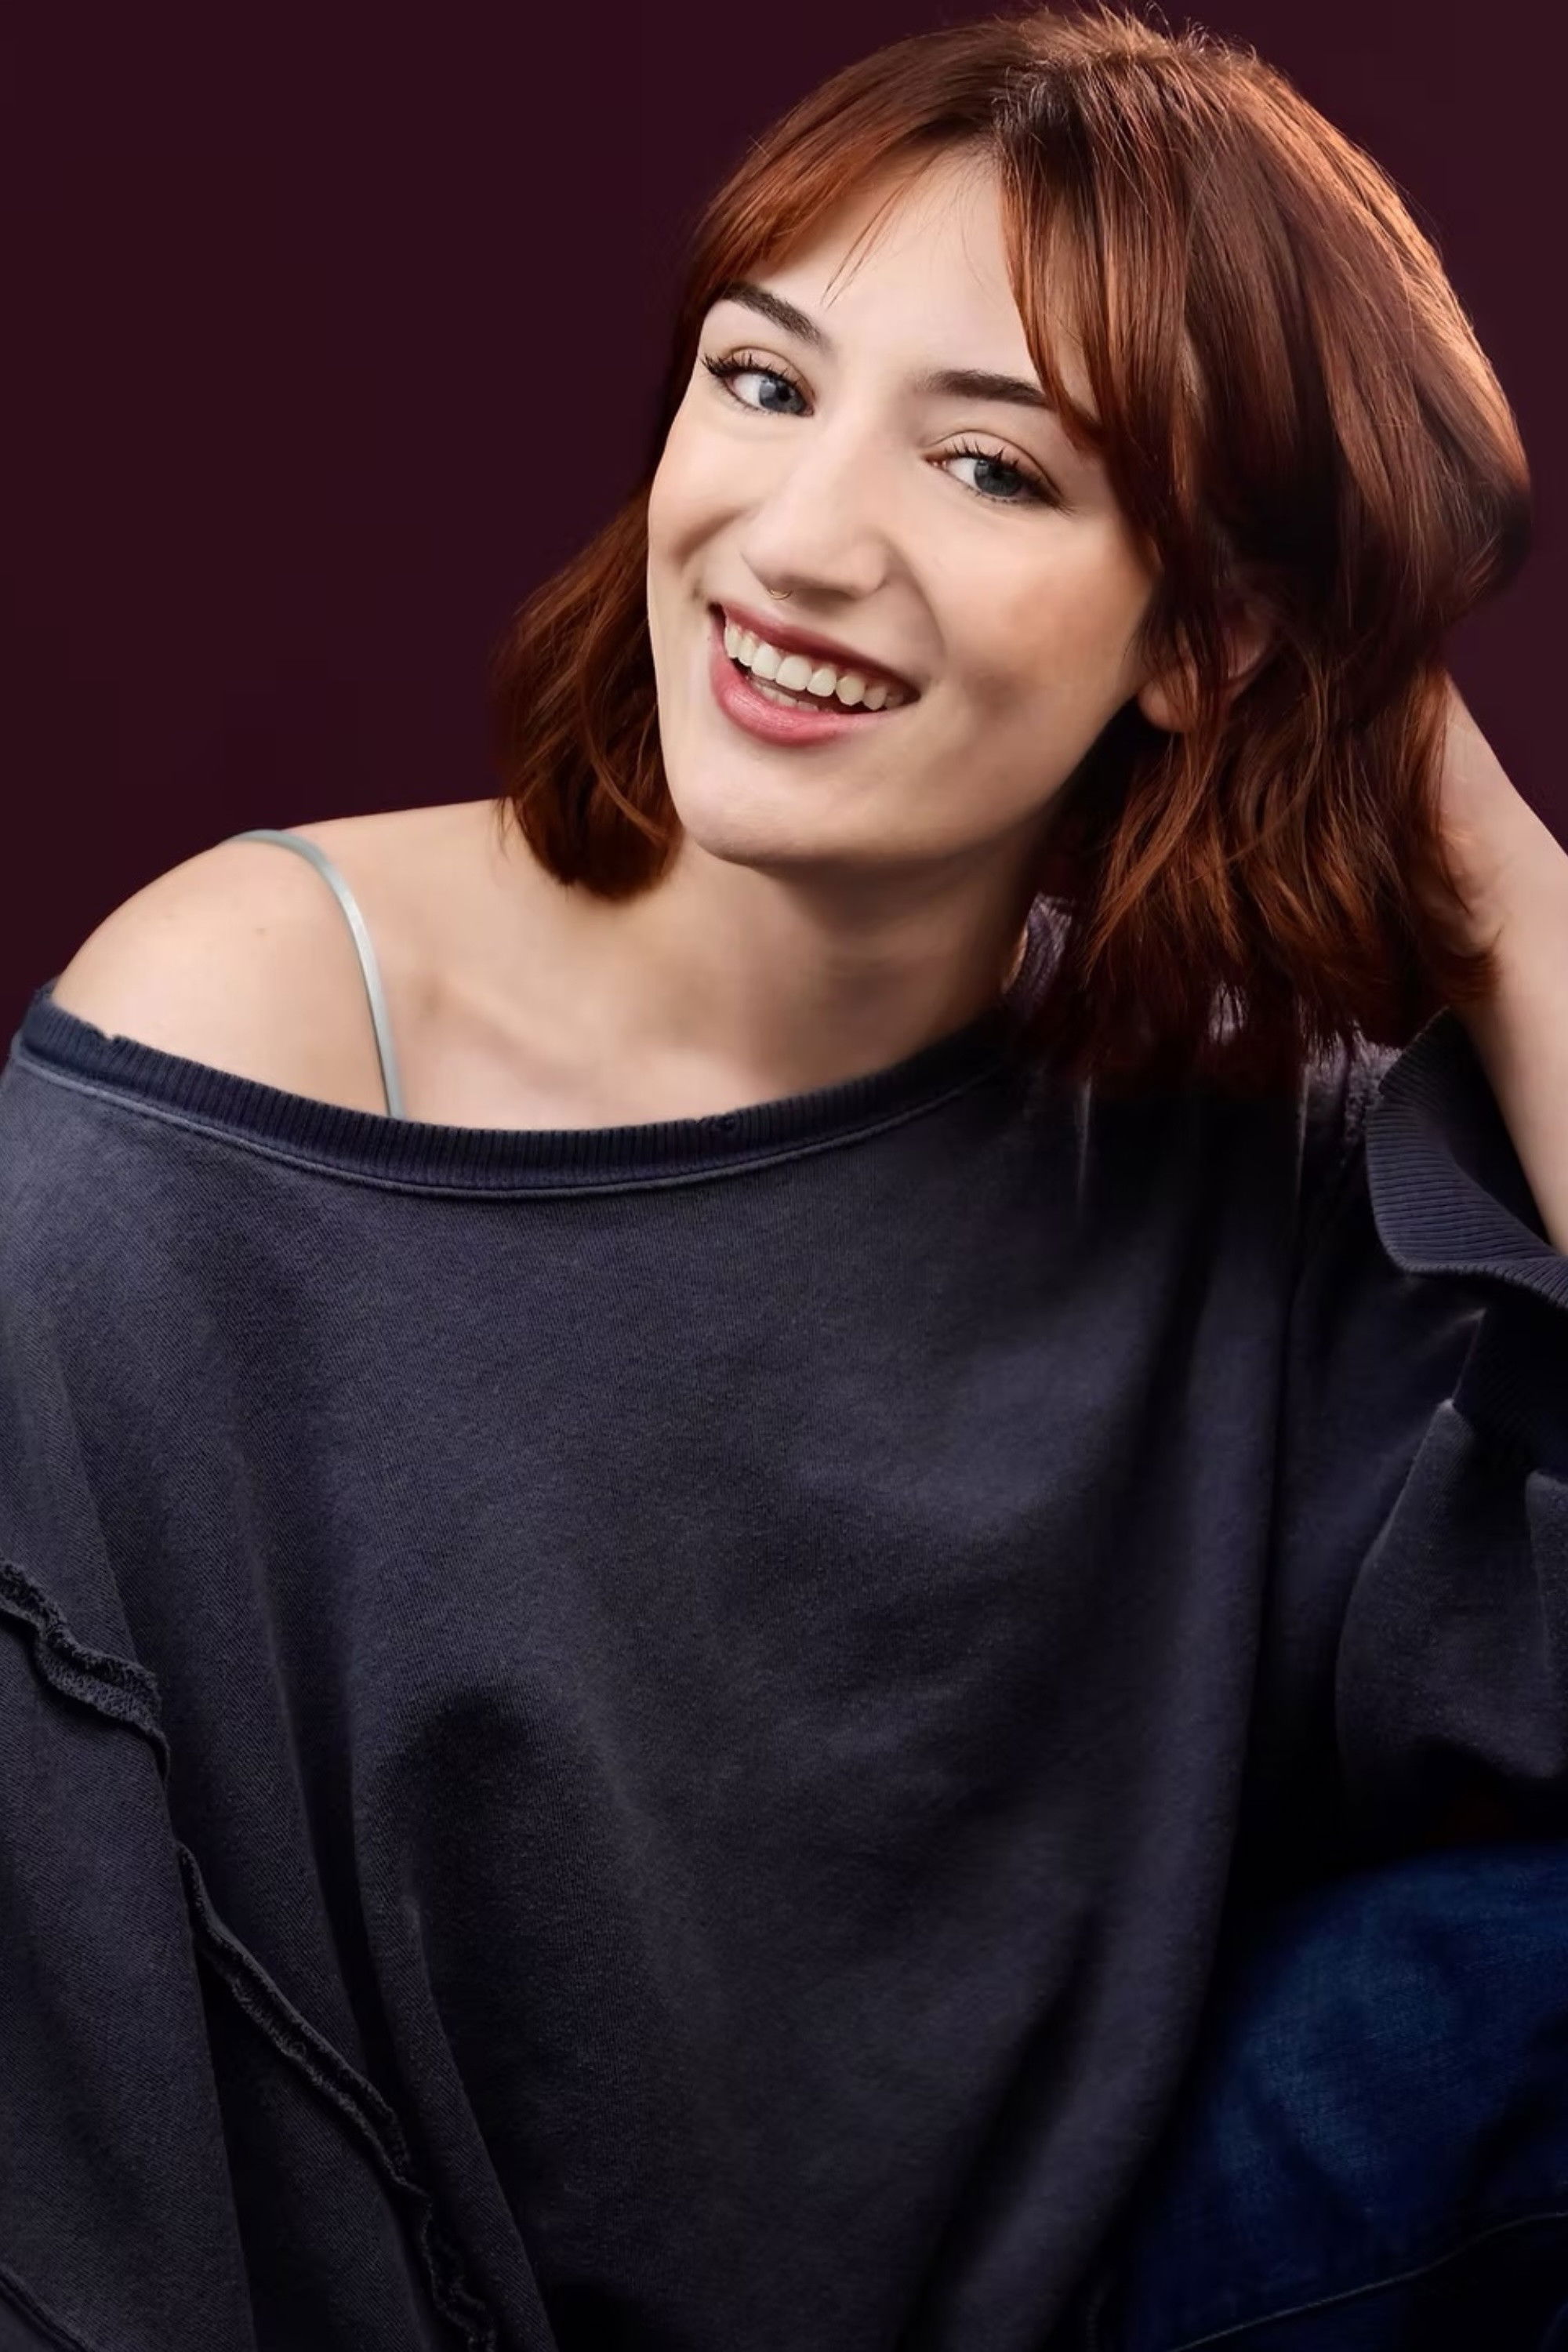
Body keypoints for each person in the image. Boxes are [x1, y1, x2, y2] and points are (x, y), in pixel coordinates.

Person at [2, 5, 1563, 2347]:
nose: (803, 544)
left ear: (1209, 637)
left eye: (997, 470)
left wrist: (1510, 897)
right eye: (761, 381)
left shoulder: (1224, 1129)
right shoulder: (250, 1035)